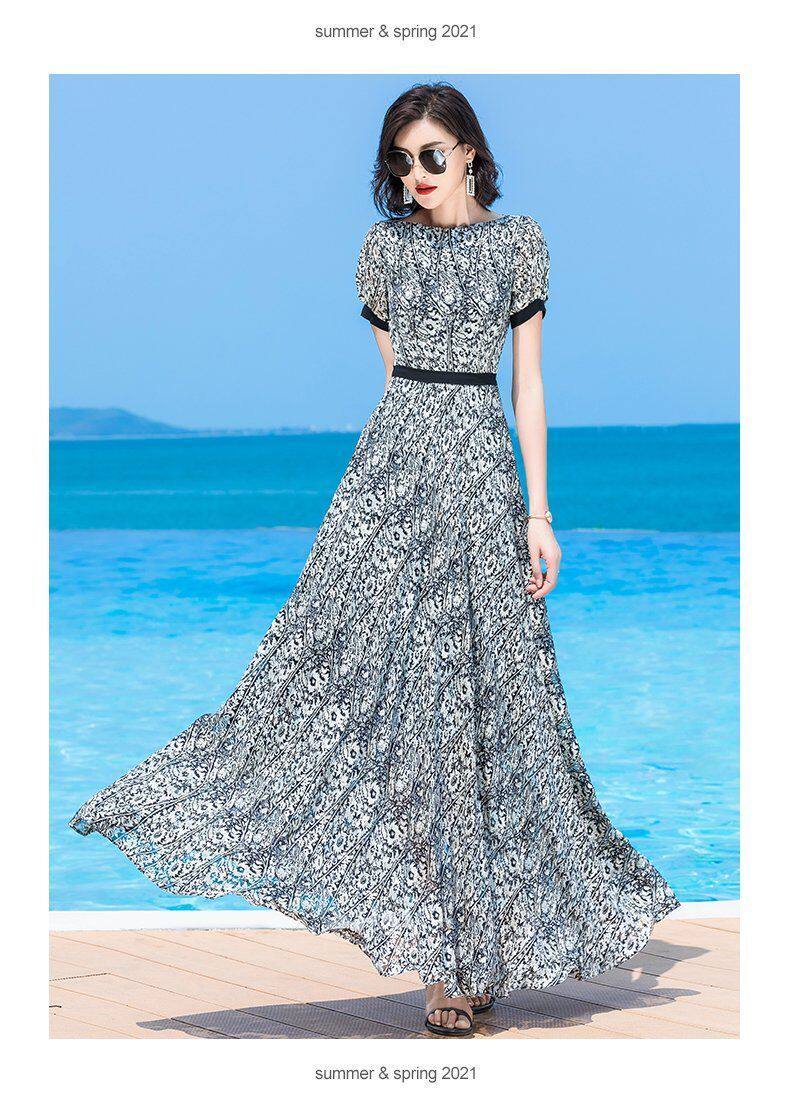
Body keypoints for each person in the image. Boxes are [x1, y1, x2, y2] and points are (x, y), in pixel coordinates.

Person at [70, 81, 680, 1038]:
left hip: (480, 474)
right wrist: (379, 505)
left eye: (432, 154)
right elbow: (395, 383)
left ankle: (471, 956)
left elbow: (528, 387)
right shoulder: (382, 249)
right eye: (401, 159)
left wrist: (540, 513)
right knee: (355, 691)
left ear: (471, 152)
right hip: (391, 479)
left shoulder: (519, 244)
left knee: (487, 714)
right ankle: (440, 963)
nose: (416, 173)